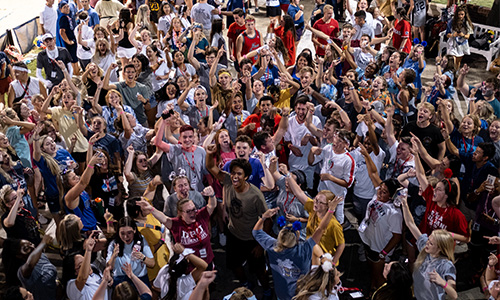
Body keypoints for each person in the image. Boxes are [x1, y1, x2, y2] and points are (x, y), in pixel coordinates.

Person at [205, 152, 272, 298]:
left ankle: (267, 290)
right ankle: (246, 283)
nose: (235, 176)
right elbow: (210, 166)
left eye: (239, 174)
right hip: (233, 234)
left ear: (246, 177)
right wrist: (210, 153)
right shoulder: (228, 181)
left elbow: (268, 220)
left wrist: (261, 244)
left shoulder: (255, 195)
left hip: (252, 238)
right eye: (233, 173)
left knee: (259, 270)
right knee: (234, 265)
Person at [253, 196, 341, 300]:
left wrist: (264, 217)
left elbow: (256, 232)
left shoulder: (273, 246)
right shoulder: (304, 249)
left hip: (282, 294)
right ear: (297, 237)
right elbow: (321, 229)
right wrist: (331, 210)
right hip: (301, 295)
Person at [401, 196, 458, 300]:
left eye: (431, 243)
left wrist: (442, 282)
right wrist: (404, 204)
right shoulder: (425, 249)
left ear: (440, 248)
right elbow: (410, 224)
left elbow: (454, 295)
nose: (427, 243)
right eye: (428, 240)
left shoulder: (446, 265)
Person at [3, 235, 57, 300]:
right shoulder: (22, 272)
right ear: (19, 256)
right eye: (26, 248)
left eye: (31, 244)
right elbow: (30, 264)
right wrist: (43, 243)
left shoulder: (41, 256)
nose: (32, 247)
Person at [106, 216, 155, 287]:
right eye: (122, 233)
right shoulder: (114, 243)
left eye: (129, 233)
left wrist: (143, 257)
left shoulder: (141, 240)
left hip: (139, 277)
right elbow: (108, 267)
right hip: (120, 279)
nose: (126, 237)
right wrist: (114, 256)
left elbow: (152, 263)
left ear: (134, 230)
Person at [446, 5, 474, 71]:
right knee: (452, 59)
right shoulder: (451, 22)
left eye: (462, 14)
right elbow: (447, 35)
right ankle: (450, 72)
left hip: (462, 44)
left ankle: (456, 73)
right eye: (459, 14)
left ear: (465, 14)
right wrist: (453, 35)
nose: (460, 16)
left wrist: (463, 35)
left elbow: (468, 36)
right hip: (453, 43)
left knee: (458, 61)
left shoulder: (467, 23)